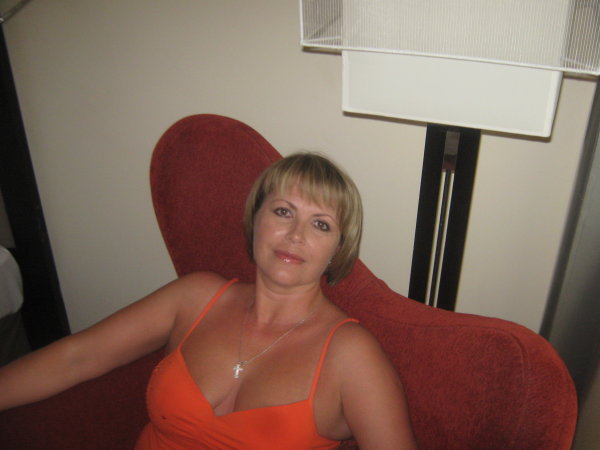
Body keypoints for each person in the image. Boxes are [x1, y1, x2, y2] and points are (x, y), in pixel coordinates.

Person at [0, 152, 417, 449]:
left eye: (320, 225)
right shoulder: (195, 297)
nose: (295, 235)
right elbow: (76, 357)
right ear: (255, 218)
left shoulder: (350, 354)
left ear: (338, 250)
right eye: (283, 212)